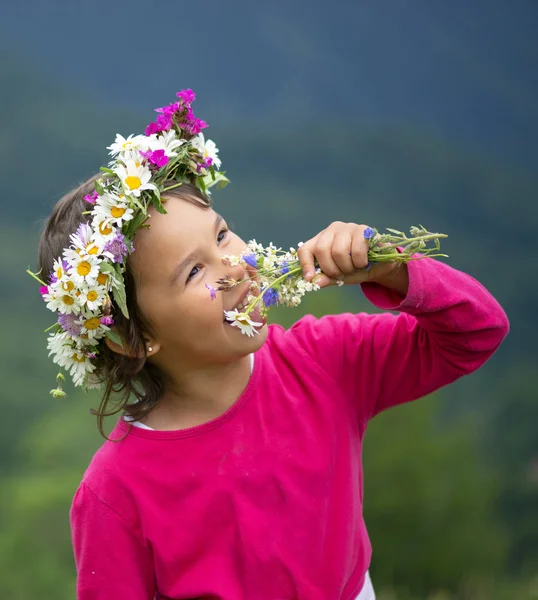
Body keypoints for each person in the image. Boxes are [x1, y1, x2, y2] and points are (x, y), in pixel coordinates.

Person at [34, 91, 509, 600]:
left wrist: (391, 269)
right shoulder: (115, 490)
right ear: (135, 339)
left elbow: (476, 331)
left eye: (221, 236)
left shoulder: (323, 360)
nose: (234, 265)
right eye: (194, 271)